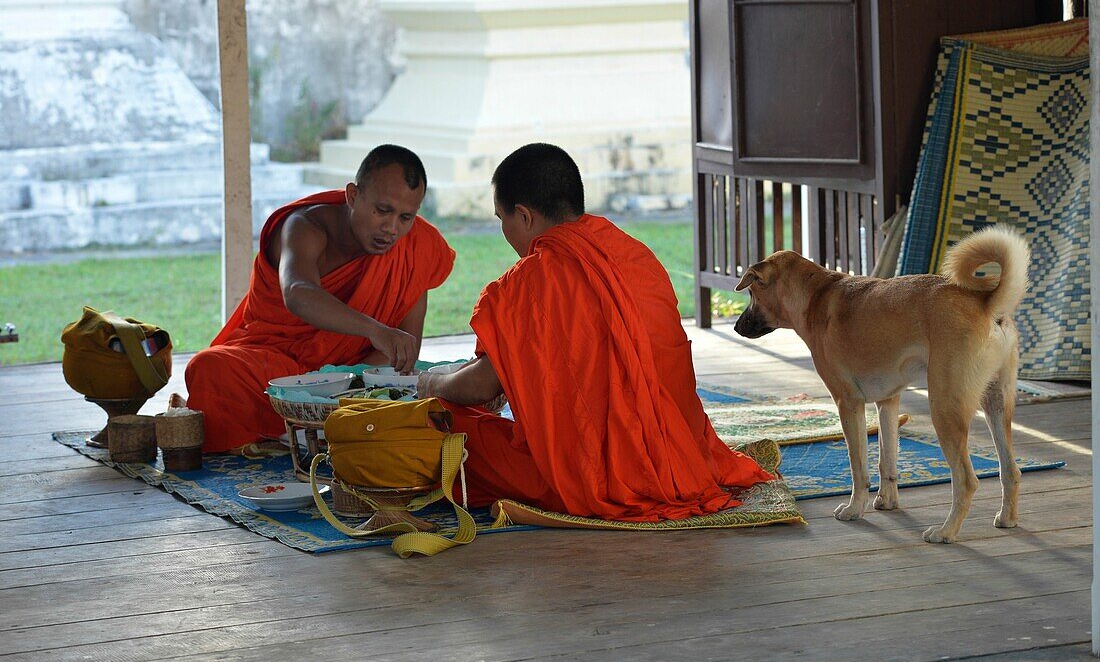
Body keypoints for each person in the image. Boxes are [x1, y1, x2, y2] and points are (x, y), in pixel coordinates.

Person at [417, 143, 773, 522]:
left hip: (589, 474)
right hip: (682, 456)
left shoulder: (529, 283)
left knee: (437, 433)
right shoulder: (637, 255)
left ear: (523, 215)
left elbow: (481, 389)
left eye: (501, 218)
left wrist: (432, 383)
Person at [184, 144, 455, 453]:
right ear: (353, 195)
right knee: (210, 368)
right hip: (279, 367)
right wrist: (373, 329)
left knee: (436, 390)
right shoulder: (304, 226)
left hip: (350, 378)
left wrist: (349, 386)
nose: (392, 228)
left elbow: (403, 349)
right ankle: (323, 431)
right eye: (382, 211)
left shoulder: (419, 245)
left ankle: (305, 430)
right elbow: (298, 292)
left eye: (405, 217)